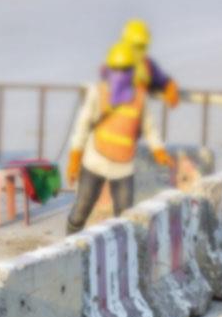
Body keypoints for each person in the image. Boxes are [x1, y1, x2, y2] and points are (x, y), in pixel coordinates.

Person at [65, 41, 174, 234]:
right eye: (117, 69)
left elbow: (150, 127)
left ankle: (124, 259)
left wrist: (158, 150)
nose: (120, 75)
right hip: (94, 161)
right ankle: (68, 245)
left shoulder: (139, 97)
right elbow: (83, 125)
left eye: (125, 70)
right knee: (80, 211)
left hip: (123, 167)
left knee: (125, 220)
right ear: (108, 70)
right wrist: (75, 157)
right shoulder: (98, 93)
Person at [121, 18, 180, 108]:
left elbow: (165, 82)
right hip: (126, 116)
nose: (136, 51)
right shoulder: (145, 65)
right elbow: (165, 82)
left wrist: (170, 87)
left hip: (128, 115)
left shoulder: (146, 65)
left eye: (140, 47)